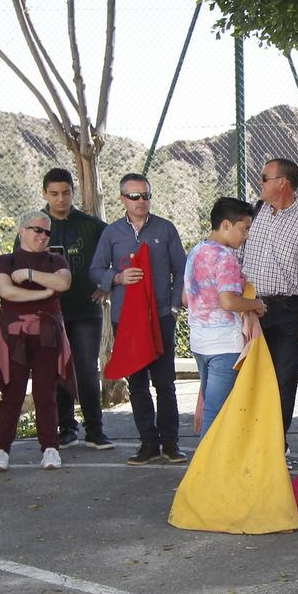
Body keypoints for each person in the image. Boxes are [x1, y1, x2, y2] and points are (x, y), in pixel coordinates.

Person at [91, 173, 188, 465]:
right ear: (122, 199)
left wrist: (174, 307)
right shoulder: (112, 233)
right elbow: (95, 270)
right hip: (126, 320)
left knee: (165, 383)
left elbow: (181, 269)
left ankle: (170, 442)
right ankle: (148, 443)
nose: (141, 201)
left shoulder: (165, 229)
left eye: (145, 195)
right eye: (134, 196)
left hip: (161, 316)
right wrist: (117, 278)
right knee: (137, 383)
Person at [241, 158, 298, 436]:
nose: (259, 183)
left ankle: (276, 443)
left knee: (283, 381)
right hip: (250, 309)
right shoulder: (253, 213)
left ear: (282, 183)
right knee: (247, 379)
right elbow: (237, 255)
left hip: (289, 313)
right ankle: (249, 442)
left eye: (264, 178)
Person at [0, 211, 73, 472]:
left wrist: (29, 274)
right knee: (12, 393)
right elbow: (7, 291)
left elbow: (63, 283)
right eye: (37, 230)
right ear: (22, 230)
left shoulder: (55, 259)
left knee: (46, 393)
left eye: (47, 232)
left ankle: (50, 447)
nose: (43, 236)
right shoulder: (5, 260)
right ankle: (1, 450)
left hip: (47, 336)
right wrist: (45, 293)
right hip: (15, 336)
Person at [42, 167, 112, 450]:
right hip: (49, 312)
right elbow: (19, 262)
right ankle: (66, 427)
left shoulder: (92, 226)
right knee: (57, 370)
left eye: (66, 193)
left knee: (86, 368)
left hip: (86, 310)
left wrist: (107, 283)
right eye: (54, 193)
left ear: (73, 192)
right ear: (44, 194)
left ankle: (95, 430)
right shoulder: (35, 225)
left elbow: (118, 254)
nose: (61, 199)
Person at [183, 197, 265, 436]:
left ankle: (207, 457)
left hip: (199, 341)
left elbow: (186, 298)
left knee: (210, 407)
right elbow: (228, 302)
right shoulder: (226, 257)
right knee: (217, 413)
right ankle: (207, 460)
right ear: (226, 224)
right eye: (244, 228)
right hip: (224, 344)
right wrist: (256, 304)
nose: (246, 235)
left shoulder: (196, 251)